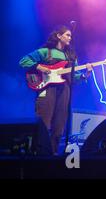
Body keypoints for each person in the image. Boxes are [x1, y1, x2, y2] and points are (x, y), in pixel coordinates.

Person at [19, 25, 92, 155]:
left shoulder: (71, 57)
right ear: (59, 36)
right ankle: (40, 155)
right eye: (67, 35)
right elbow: (24, 61)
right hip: (47, 89)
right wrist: (40, 67)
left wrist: (85, 75)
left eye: (70, 35)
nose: (70, 37)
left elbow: (73, 77)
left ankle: (52, 154)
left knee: (59, 126)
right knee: (43, 124)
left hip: (64, 90)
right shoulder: (45, 52)